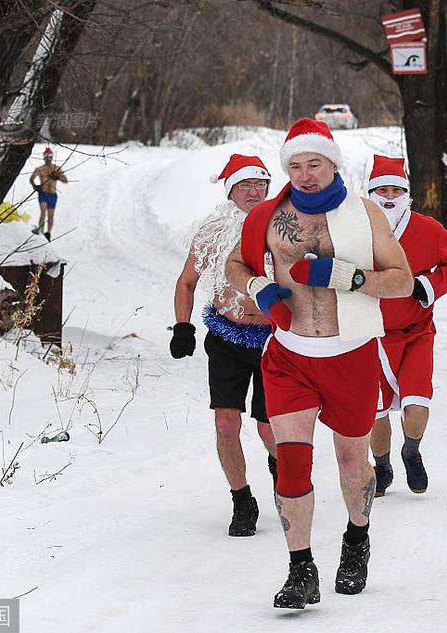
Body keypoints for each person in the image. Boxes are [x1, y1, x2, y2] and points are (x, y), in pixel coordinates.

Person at [225, 119, 413, 609]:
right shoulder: (267, 215)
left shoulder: (365, 213)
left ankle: (357, 538)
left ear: (333, 163)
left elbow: (402, 282)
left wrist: (345, 276)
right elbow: (235, 264)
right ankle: (300, 569)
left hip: (349, 355)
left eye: (314, 164)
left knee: (353, 464)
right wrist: (260, 290)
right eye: (295, 166)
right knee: (291, 463)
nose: (305, 175)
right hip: (289, 356)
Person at [170, 154, 277, 537]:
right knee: (226, 422)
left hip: (273, 341)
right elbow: (187, 282)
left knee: (269, 429)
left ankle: (285, 477)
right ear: (230, 190)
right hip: (227, 337)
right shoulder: (211, 231)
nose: (254, 191)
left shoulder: (282, 228)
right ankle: (242, 500)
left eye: (260, 184)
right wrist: (182, 328)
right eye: (245, 185)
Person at [365, 155, 447, 497]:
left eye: (396, 189)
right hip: (371, 334)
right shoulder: (357, 228)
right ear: (371, 194)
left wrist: (431, 285)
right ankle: (381, 466)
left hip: (416, 330)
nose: (390, 196)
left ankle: (411, 450)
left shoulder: (427, 229)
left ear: (407, 194)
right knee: (375, 409)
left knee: (417, 398)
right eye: (382, 190)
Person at [29, 146, 67, 241]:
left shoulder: (56, 168)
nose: (48, 160)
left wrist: (58, 177)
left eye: (50, 157)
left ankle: (48, 233)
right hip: (43, 193)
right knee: (43, 212)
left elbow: (65, 180)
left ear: (52, 157)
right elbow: (31, 178)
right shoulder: (40, 169)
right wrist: (35, 186)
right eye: (46, 158)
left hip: (53, 195)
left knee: (51, 215)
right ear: (44, 158)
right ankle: (40, 231)